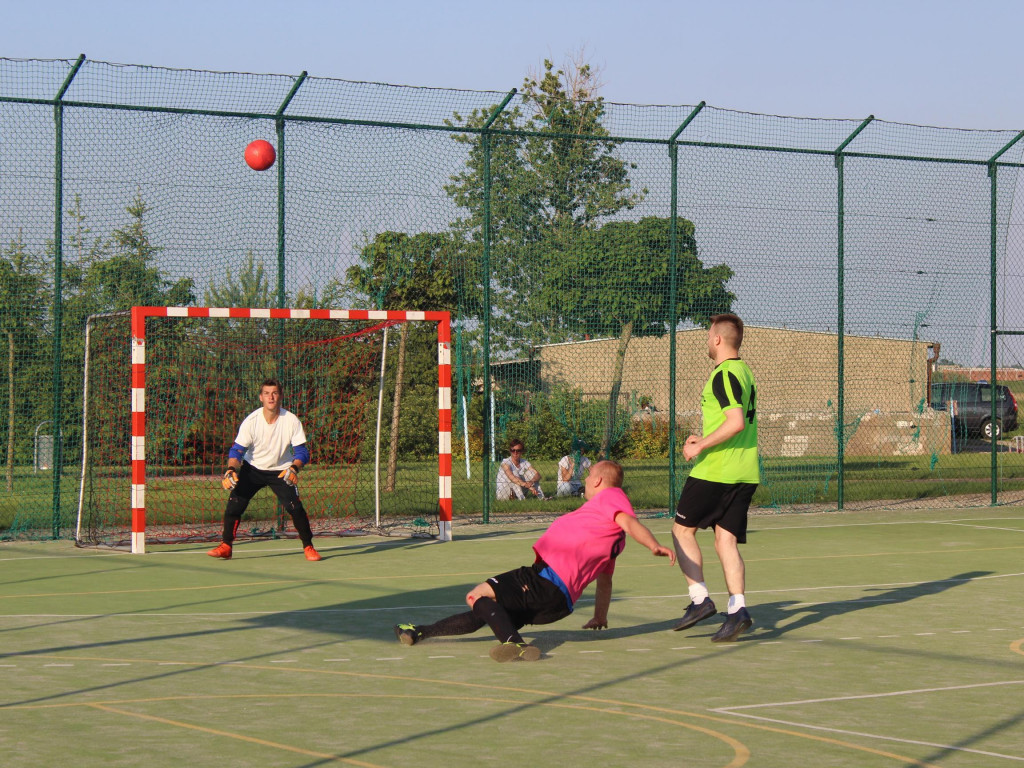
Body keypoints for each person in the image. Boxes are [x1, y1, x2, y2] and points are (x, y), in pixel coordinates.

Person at [394, 460, 675, 661]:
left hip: (542, 580)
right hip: (558, 604)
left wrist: (653, 544)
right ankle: (420, 632)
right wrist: (600, 615)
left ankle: (514, 644)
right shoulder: (609, 535)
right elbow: (605, 580)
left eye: (589, 476)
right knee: (488, 612)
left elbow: (629, 521)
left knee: (476, 595)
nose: (587, 481)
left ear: (599, 481)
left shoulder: (611, 498)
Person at [671, 313, 759, 642]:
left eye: (709, 334)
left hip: (717, 471)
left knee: (681, 531)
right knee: (725, 541)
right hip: (745, 471)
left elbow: (735, 422)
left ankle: (700, 601)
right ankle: (738, 610)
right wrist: (703, 436)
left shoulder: (722, 374)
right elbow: (734, 424)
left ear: (718, 339)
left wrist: (701, 446)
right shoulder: (745, 372)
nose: (707, 340)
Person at [207, 378, 322, 562]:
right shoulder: (251, 421)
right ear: (261, 397)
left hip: (282, 470)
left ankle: (308, 547)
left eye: (275, 393)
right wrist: (230, 469)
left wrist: (294, 468)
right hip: (252, 470)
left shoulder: (291, 421)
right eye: (267, 393)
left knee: (296, 509)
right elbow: (237, 451)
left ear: (280, 396)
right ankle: (226, 546)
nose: (271, 397)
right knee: (233, 506)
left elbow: (302, 452)